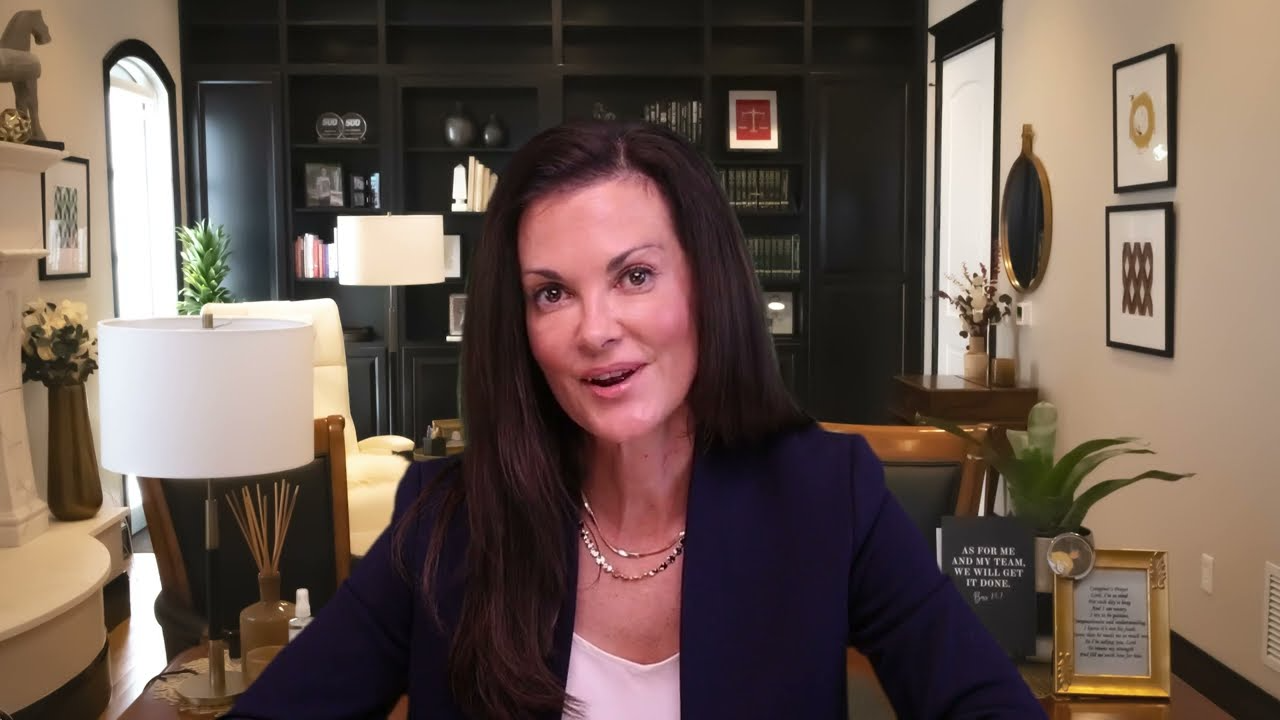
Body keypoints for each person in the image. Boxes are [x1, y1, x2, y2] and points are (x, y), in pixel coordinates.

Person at [228, 120, 1044, 719]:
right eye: (552, 292)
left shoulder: (830, 495)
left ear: (705, 284)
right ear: (521, 326)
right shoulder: (444, 519)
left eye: (636, 276)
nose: (595, 329)